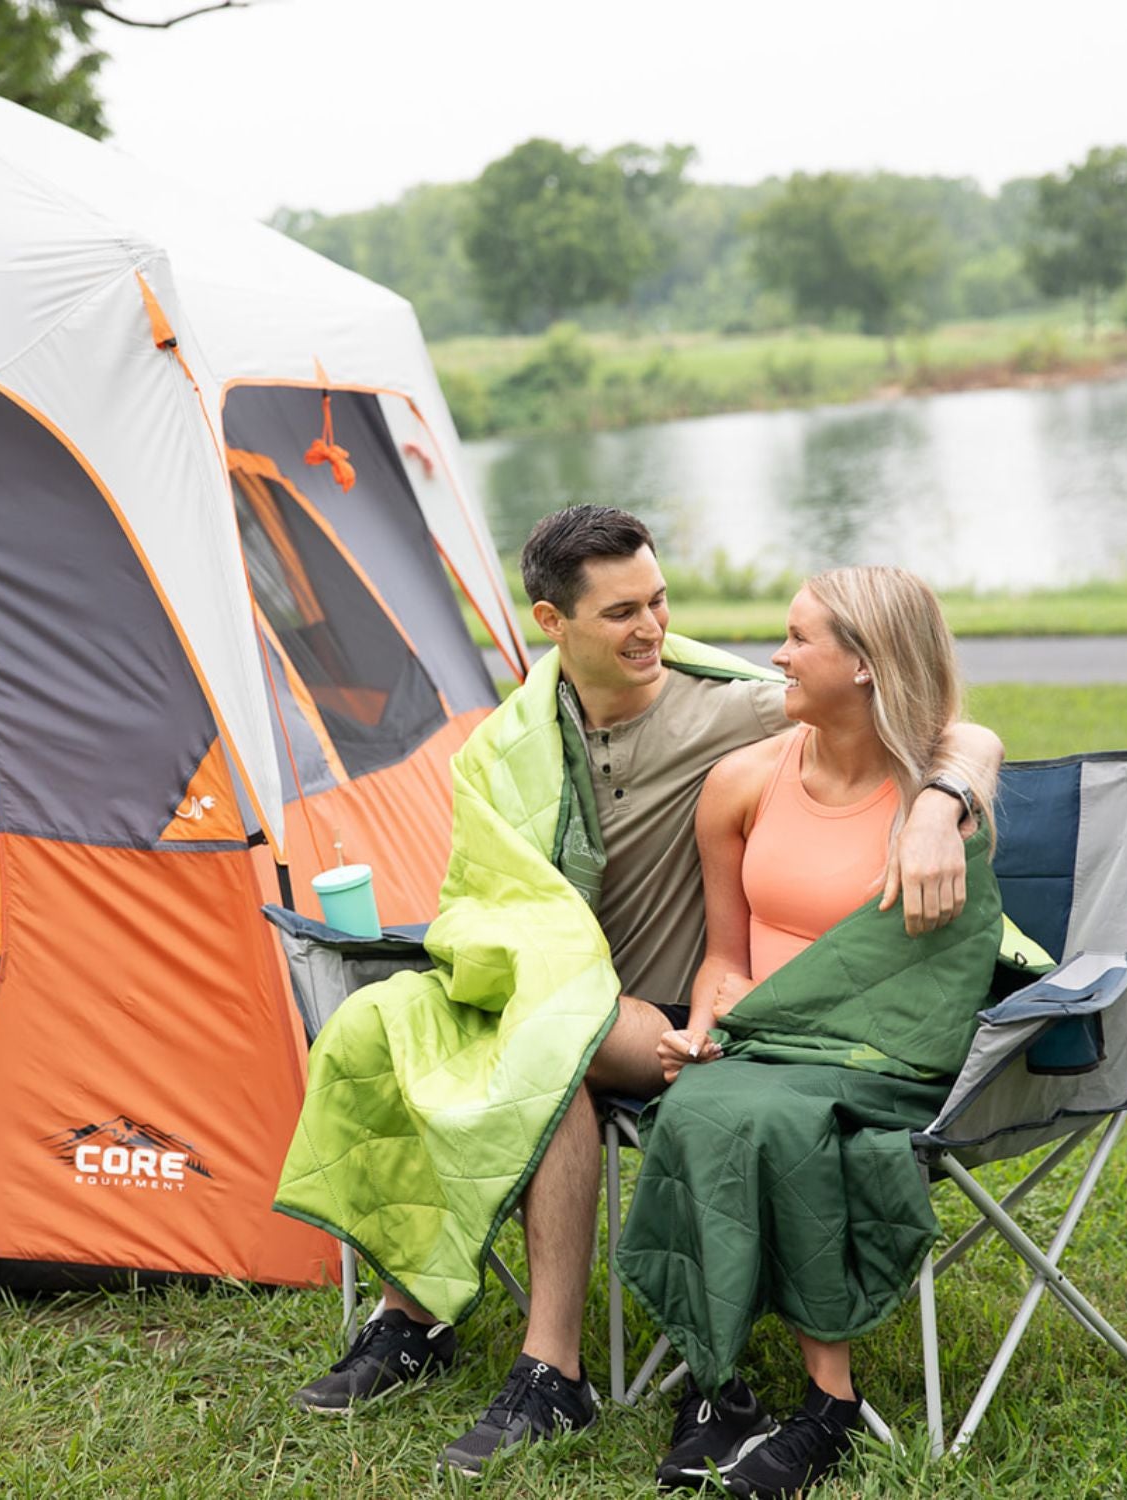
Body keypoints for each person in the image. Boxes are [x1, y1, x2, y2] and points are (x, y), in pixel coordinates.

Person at [276, 510, 1003, 1479]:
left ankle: (553, 1373)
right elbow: (492, 893)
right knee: (378, 1025)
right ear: (552, 620)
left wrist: (943, 807)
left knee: (554, 1052)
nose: (652, 627)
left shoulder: (740, 715)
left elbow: (946, 725)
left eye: (658, 601)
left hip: (639, 1011)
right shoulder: (507, 746)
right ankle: (411, 1318)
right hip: (534, 979)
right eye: (622, 612)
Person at [616, 566, 1004, 1496]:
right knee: (719, 1102)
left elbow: (970, 743)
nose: (777, 656)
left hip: (882, 1055)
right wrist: (709, 1018)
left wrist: (941, 813)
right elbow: (725, 958)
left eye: (799, 639)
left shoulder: (937, 800)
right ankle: (722, 1387)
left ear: (868, 665)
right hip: (759, 1045)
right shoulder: (742, 783)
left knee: (760, 1121)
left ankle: (823, 1403)